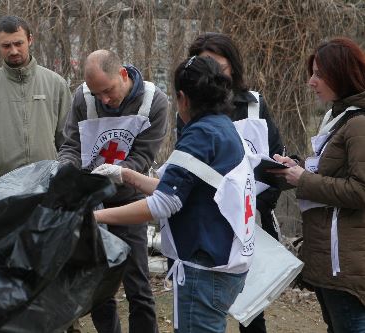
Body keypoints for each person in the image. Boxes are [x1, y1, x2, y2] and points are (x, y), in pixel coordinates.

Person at [93, 56, 257, 333]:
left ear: (182, 98)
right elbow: (182, 192)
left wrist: (94, 216)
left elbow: (163, 204)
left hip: (204, 268)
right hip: (225, 263)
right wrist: (127, 175)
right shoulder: (223, 127)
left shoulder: (201, 135)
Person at [177, 33, 283, 333]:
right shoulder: (187, 109)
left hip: (250, 221)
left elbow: (274, 160)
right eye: (203, 64)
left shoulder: (254, 105)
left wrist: (251, 206)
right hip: (208, 226)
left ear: (233, 68)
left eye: (218, 65)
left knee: (251, 311)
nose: (213, 72)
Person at [58, 49, 168, 333]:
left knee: (138, 286)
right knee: (98, 286)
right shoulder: (83, 97)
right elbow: (71, 145)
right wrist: (67, 171)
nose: (104, 100)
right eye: (98, 95)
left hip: (129, 201)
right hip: (90, 200)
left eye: (108, 91)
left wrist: (118, 173)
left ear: (122, 74)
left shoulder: (154, 101)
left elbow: (143, 156)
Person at [272, 37, 365, 333]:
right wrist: (296, 170)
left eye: (319, 74)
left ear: (343, 74)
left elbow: (361, 190)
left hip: (347, 265)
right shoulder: (338, 118)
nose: (311, 82)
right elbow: (333, 174)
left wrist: (305, 180)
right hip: (332, 260)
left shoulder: (358, 124)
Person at [0, 15, 71, 190]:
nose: (13, 51)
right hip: (0, 190)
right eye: (6, 45)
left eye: (18, 43)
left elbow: (69, 143)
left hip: (47, 188)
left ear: (30, 40)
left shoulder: (56, 84)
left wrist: (68, 185)